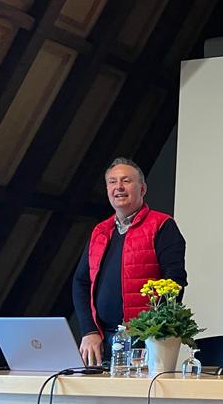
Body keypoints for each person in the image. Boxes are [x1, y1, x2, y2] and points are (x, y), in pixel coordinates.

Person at [72, 157, 187, 366]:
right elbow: (81, 282)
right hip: (102, 342)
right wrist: (89, 330)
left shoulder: (162, 226)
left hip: (145, 342)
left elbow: (175, 282)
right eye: (112, 182)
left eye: (126, 181)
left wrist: (155, 333)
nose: (119, 187)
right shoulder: (100, 231)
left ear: (142, 189)